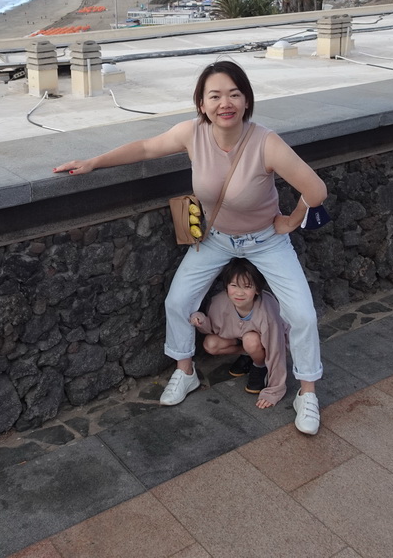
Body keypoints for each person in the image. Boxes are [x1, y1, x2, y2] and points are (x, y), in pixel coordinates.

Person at [54, 60, 327, 434]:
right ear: (201, 103)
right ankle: (186, 372)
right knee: (178, 301)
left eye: (234, 94)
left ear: (247, 100)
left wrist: (289, 221)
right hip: (215, 238)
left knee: (303, 314)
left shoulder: (266, 142)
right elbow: (148, 148)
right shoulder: (192, 134)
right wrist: (93, 162)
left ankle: (307, 393)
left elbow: (315, 190)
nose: (224, 103)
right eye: (214, 95)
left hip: (266, 240)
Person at [189, 258, 287, 409]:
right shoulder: (219, 302)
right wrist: (200, 319)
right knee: (210, 344)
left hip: (264, 340)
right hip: (237, 337)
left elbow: (276, 350)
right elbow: (213, 328)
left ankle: (259, 365)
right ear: (226, 286)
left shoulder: (267, 313)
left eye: (247, 287)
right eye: (234, 285)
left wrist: (273, 391)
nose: (239, 293)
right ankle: (248, 354)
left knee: (250, 340)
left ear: (257, 289)